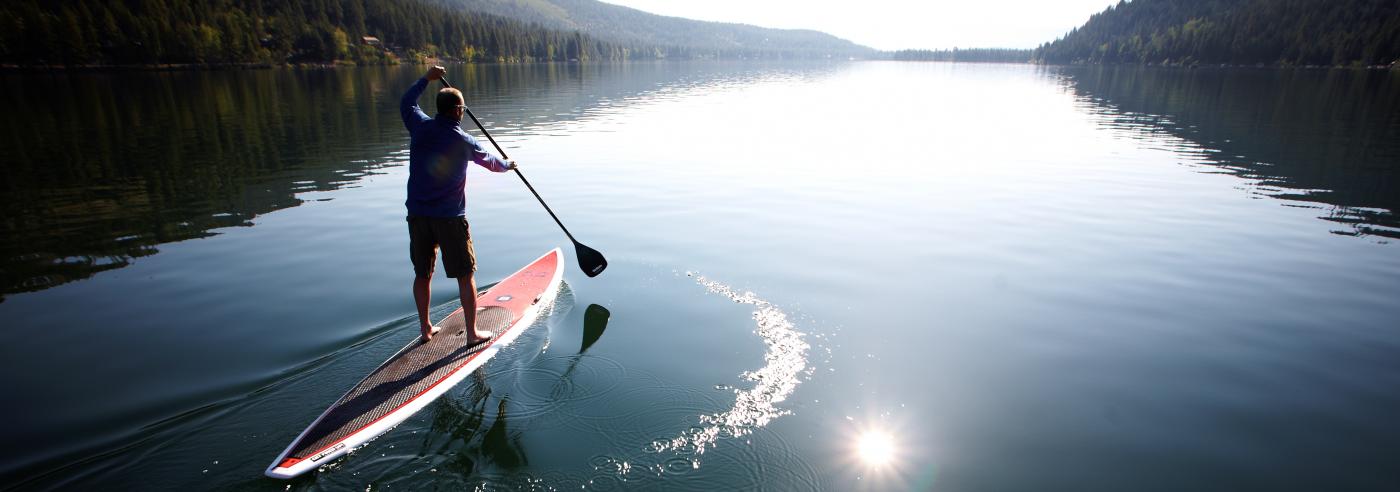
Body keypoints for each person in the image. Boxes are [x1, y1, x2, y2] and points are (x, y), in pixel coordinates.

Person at [401, 66, 515, 343]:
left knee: (422, 274)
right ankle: (473, 334)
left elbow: (406, 102)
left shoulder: (419, 126)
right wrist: (508, 164)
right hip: (449, 218)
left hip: (417, 215)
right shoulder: (463, 140)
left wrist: (425, 79)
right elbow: (492, 163)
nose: (463, 113)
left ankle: (426, 328)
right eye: (462, 109)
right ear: (457, 111)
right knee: (465, 274)